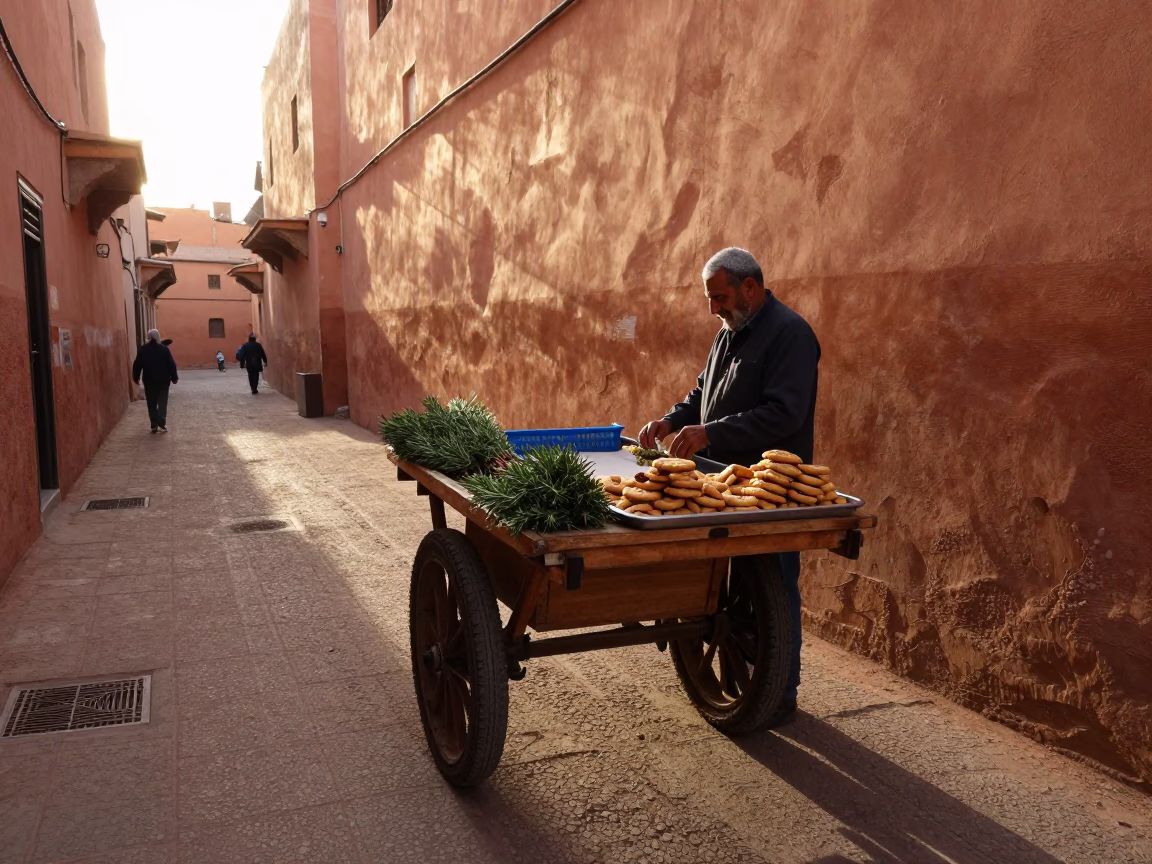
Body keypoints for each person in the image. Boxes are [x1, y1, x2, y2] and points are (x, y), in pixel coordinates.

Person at [638, 247, 820, 723]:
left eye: (719, 298)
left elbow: (785, 413)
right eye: (710, 299)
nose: (713, 309)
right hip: (721, 485)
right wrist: (670, 420)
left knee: (775, 590)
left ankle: (780, 694)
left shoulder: (790, 335)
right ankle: (743, 686)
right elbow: (703, 393)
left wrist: (712, 432)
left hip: (771, 489)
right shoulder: (730, 333)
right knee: (736, 594)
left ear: (750, 287)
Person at [131, 329, 179, 433]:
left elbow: (137, 364)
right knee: (162, 402)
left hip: (149, 381)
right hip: (163, 381)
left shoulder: (144, 349)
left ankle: (154, 423)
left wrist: (136, 376)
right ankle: (161, 422)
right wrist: (174, 377)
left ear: (148, 336)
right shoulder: (164, 349)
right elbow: (171, 364)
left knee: (151, 403)